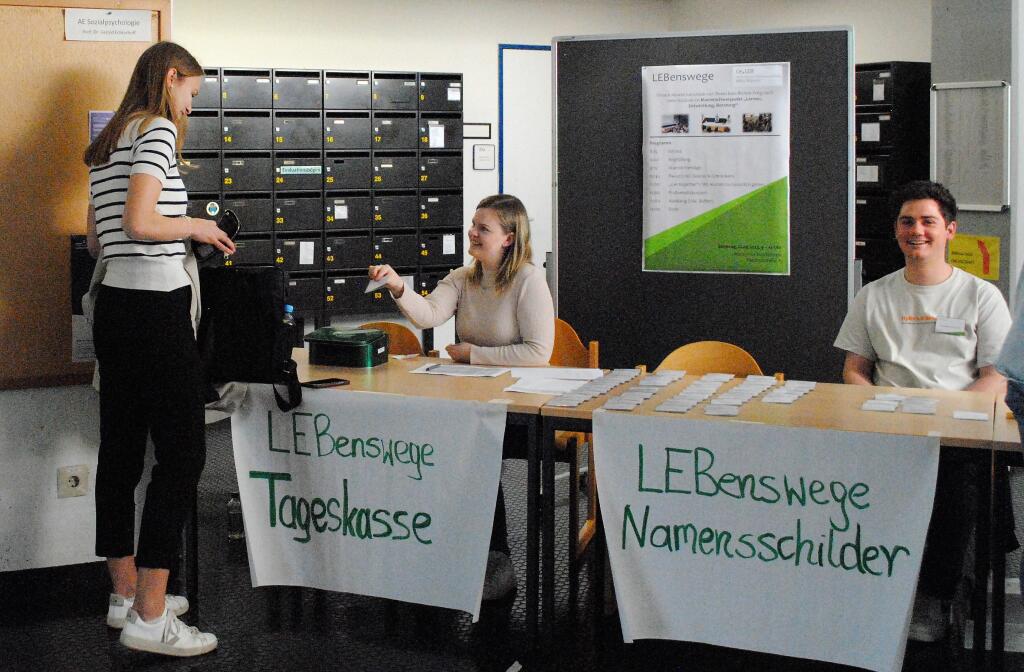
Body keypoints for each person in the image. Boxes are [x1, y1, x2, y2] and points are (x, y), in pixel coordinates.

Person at [83, 41, 234, 657]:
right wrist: (196, 227)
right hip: (154, 311)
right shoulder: (156, 131)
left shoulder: (106, 143)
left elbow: (98, 242)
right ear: (171, 78)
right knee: (183, 455)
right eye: (191, 92)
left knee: (120, 452)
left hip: (115, 310)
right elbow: (140, 223)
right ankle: (152, 616)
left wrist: (167, 235)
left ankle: (125, 596)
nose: (191, 106)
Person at [834, 180, 1013, 641]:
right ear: (896, 230)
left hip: (956, 433)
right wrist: (879, 407)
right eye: (907, 221)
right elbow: (854, 370)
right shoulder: (873, 296)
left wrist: (944, 419)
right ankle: (874, 591)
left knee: (956, 490)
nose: (917, 231)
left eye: (928, 221)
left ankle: (936, 598)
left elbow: (996, 377)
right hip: (887, 429)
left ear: (950, 230)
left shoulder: (981, 296)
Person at [368, 193, 554, 598]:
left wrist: (474, 355)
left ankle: (496, 559)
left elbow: (539, 353)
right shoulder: (463, 278)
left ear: (508, 237)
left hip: (517, 406)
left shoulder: (528, 281)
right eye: (473, 225)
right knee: (434, 447)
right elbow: (429, 314)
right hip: (471, 402)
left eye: (483, 228)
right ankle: (441, 548)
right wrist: (397, 285)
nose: (472, 233)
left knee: (473, 454)